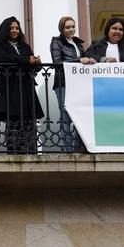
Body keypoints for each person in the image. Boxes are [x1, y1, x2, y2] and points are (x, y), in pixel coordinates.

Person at [0, 17, 44, 154]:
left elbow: (31, 65)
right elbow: (3, 59)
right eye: (12, 28)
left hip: (26, 88)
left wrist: (37, 63)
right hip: (10, 88)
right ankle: (14, 153)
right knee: (13, 121)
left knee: (29, 122)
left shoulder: (24, 46)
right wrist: (26, 60)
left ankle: (31, 152)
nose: (15, 30)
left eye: (17, 28)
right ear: (6, 29)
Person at [49, 16, 86, 151]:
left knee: (78, 115)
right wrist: (78, 60)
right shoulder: (56, 42)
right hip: (63, 82)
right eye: (67, 27)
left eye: (73, 26)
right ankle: (68, 150)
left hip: (78, 83)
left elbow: (85, 59)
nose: (71, 29)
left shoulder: (78, 43)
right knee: (65, 116)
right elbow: (56, 62)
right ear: (62, 29)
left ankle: (78, 148)